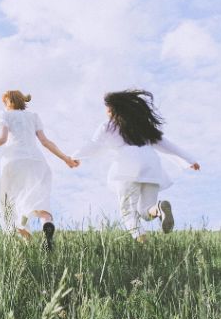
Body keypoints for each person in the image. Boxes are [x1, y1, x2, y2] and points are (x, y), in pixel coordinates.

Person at [72, 89, 200, 242]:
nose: (106, 111)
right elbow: (167, 145)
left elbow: (95, 145)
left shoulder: (108, 126)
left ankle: (143, 246)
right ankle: (159, 209)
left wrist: (74, 156)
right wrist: (189, 161)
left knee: (128, 211)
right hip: (151, 166)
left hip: (128, 166)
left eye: (108, 107)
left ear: (115, 109)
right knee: (146, 212)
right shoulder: (144, 127)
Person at [0, 90, 78, 250]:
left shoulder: (4, 115)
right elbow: (45, 142)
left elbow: (2, 139)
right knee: (39, 199)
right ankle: (46, 223)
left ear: (8, 102)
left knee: (11, 201)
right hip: (36, 160)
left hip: (13, 160)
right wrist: (66, 158)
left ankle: (24, 233)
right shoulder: (33, 116)